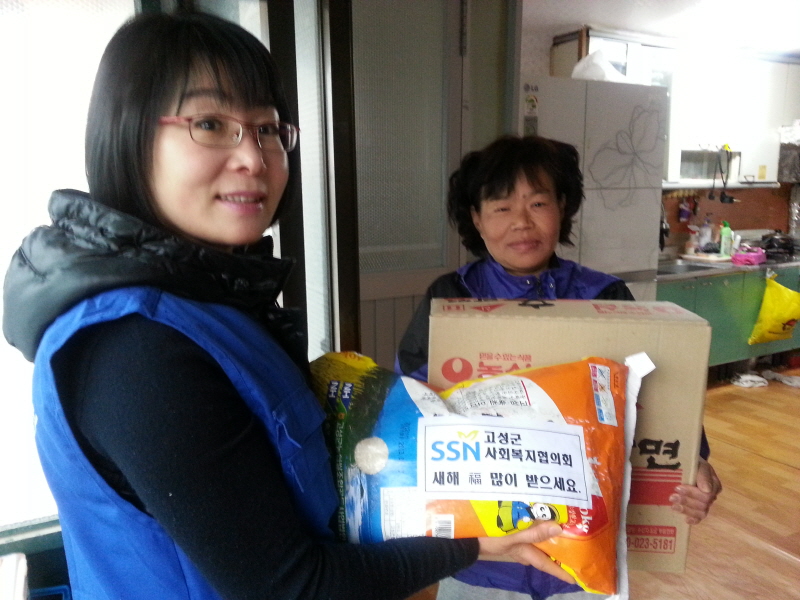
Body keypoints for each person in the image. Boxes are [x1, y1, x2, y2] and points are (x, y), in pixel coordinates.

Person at [1, 11, 572, 600]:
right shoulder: (136, 348)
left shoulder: (209, 298)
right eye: (210, 123)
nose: (254, 157)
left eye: (268, 129)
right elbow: (288, 586)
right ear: (128, 136)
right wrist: (466, 547)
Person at [396, 135, 722, 600]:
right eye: (502, 207)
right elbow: (409, 403)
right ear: (476, 218)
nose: (522, 222)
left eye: (538, 203)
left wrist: (695, 461)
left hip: (583, 555)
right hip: (483, 560)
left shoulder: (605, 297)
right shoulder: (451, 298)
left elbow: (658, 399)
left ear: (562, 207)